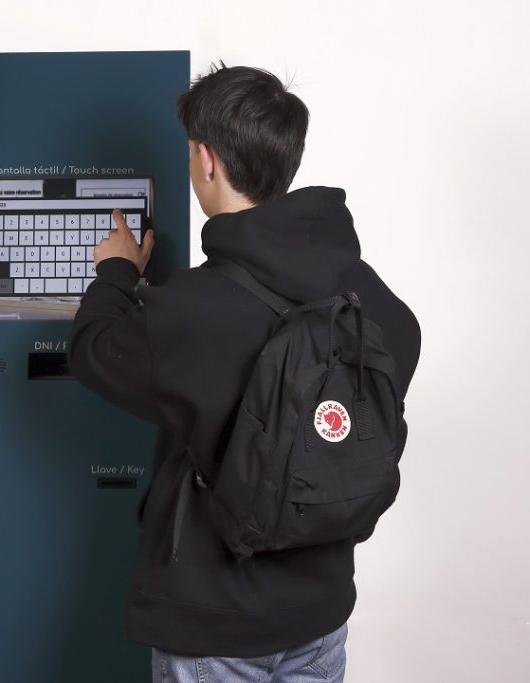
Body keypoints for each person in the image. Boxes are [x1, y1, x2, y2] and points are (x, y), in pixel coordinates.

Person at [67, 64, 420, 683]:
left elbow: (93, 351)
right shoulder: (367, 296)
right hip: (321, 615)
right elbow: (400, 353)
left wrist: (116, 272)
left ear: (206, 159)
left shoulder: (190, 310)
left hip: (216, 627)